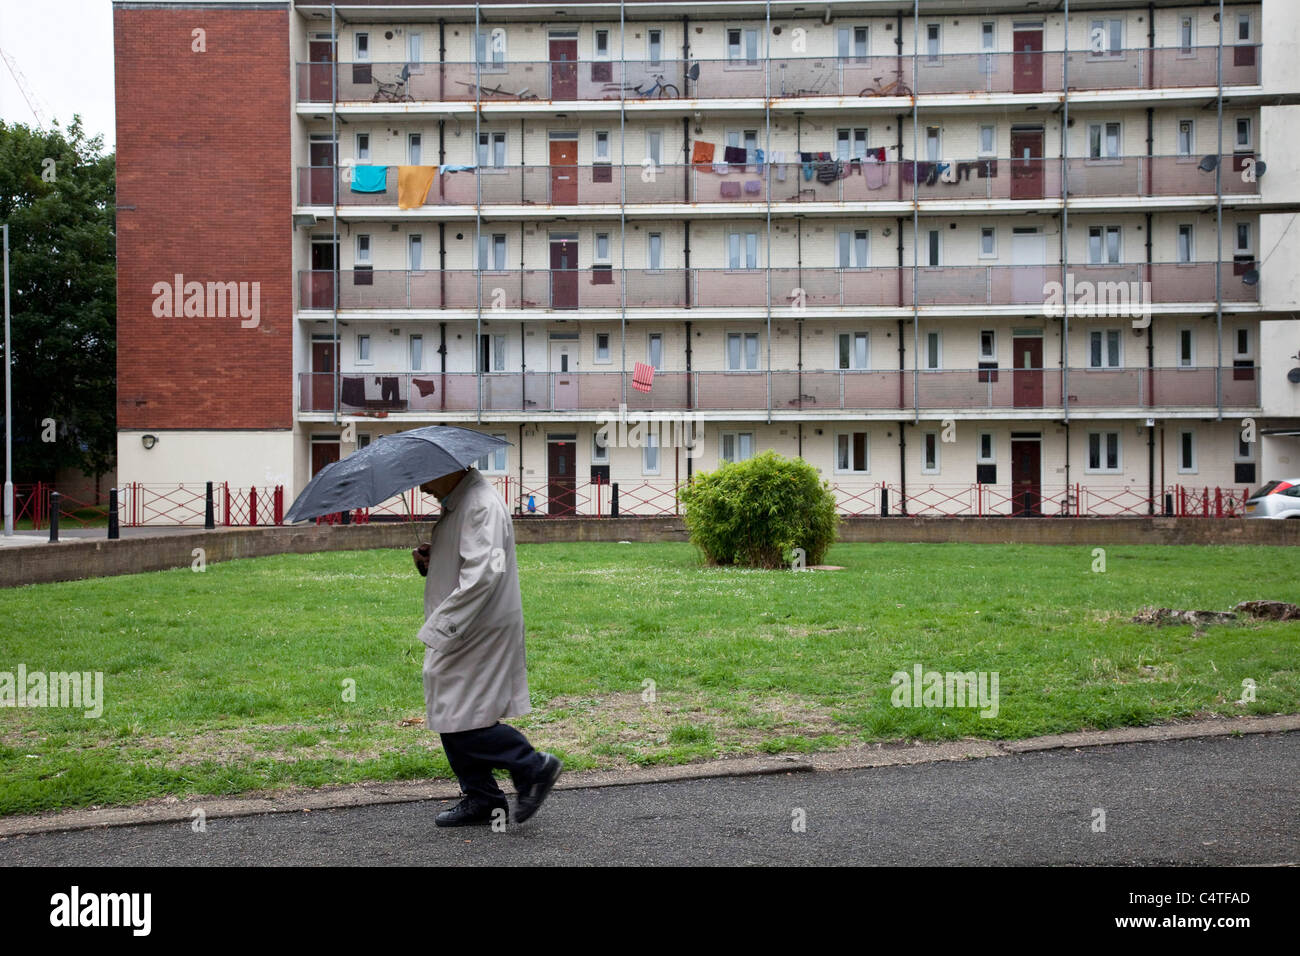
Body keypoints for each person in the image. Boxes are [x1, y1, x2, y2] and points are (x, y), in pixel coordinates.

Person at [412, 466, 561, 827]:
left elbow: (483, 575)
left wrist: (442, 626)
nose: (423, 486)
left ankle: (532, 765)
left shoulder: (479, 505)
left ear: (450, 469)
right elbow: (472, 559)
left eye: (427, 477)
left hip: (477, 623)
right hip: (471, 622)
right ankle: (483, 796)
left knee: (457, 708)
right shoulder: (462, 502)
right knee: (459, 705)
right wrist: (436, 557)